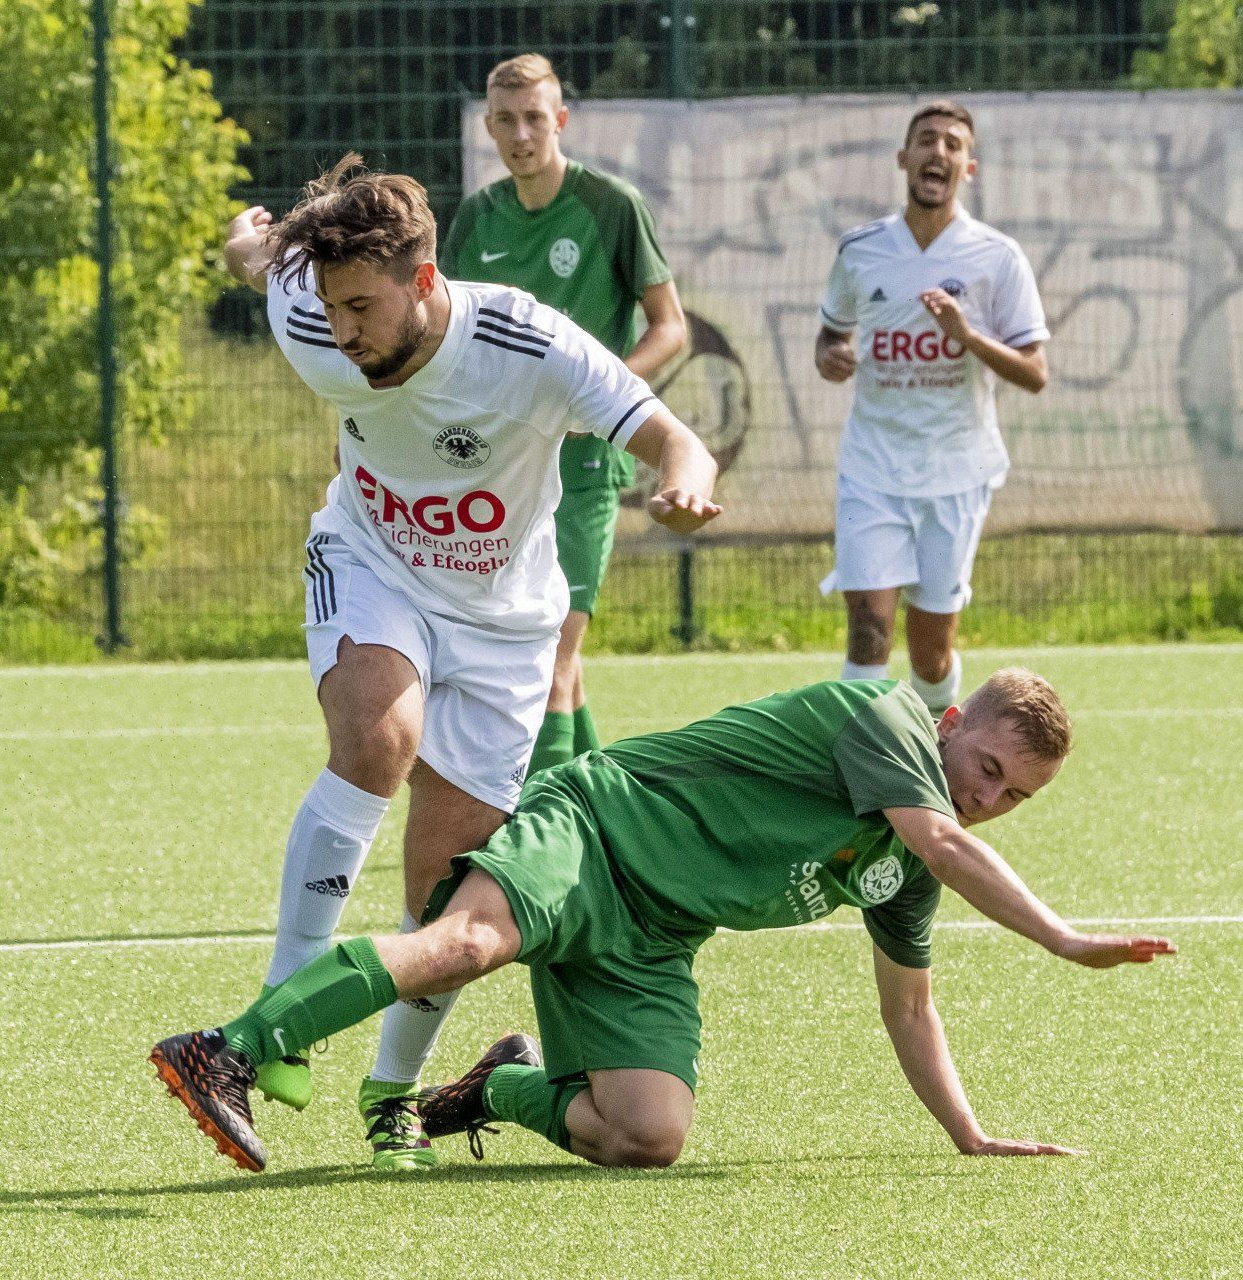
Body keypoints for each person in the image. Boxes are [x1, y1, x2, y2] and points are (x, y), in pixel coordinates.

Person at [151, 668, 1176, 1172]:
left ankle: (495, 1086)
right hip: (595, 828)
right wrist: (1063, 939)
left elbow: (911, 1009)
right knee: (463, 944)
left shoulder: (906, 863)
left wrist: (970, 1135)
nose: (988, 799)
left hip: (654, 937)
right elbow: (948, 841)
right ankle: (225, 1048)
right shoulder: (887, 720)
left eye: (1014, 797)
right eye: (986, 768)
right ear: (951, 724)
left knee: (647, 1134)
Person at [219, 153, 722, 1169]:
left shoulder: (527, 343)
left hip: (505, 624)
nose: (343, 330)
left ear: (423, 277)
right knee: (378, 739)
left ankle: (392, 1092)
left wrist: (684, 482)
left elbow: (677, 438)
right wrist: (251, 250)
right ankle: (287, 1006)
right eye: (330, 305)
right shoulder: (313, 318)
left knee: (446, 887)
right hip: (372, 563)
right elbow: (269, 268)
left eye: (362, 306)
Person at [444, 54, 688, 776]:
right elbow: (451, 335)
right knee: (553, 657)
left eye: (535, 118)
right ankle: (600, 803)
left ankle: (531, 818)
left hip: (582, 467)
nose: (522, 134)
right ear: (490, 128)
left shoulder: (611, 206)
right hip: (504, 466)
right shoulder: (477, 217)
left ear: (561, 120)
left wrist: (603, 394)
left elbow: (670, 327)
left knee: (551, 657)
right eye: (506, 120)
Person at [815, 100, 1050, 713]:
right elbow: (832, 333)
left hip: (956, 473)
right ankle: (860, 766)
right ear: (904, 158)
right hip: (872, 468)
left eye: (952, 144)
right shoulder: (861, 249)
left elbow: (1034, 373)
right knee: (868, 631)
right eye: (926, 140)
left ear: (968, 167)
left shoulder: (997, 256)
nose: (937, 152)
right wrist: (831, 355)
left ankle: (939, 746)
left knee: (930, 655)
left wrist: (966, 337)